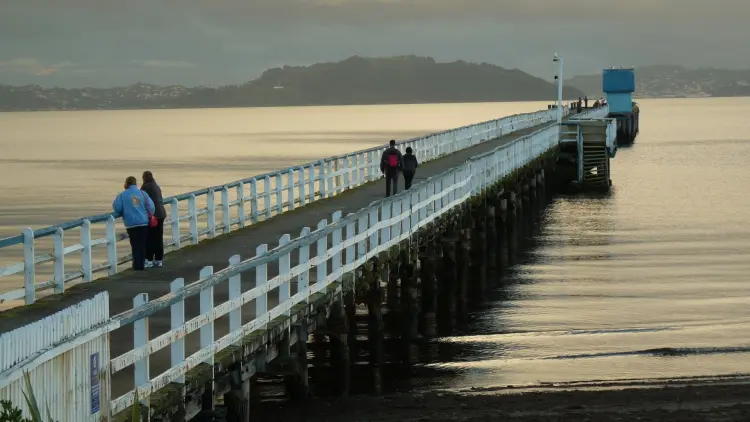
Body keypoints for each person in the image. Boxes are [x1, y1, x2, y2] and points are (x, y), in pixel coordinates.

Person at [113, 176, 155, 271]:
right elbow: (151, 207)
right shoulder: (142, 193)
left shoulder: (122, 195)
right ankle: (141, 264)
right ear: (135, 183)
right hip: (144, 223)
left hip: (131, 224)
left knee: (135, 244)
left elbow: (117, 208)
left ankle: (137, 265)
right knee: (143, 244)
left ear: (126, 184)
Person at [141, 171, 167, 268]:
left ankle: (149, 259)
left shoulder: (145, 187)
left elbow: (142, 200)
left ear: (144, 178)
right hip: (161, 214)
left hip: (153, 216)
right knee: (158, 238)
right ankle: (159, 260)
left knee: (150, 238)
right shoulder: (156, 186)